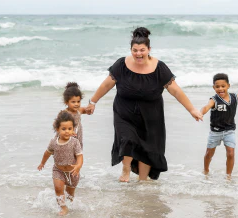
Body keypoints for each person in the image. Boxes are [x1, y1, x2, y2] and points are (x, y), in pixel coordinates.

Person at [85, 27, 203, 182]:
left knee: (148, 148)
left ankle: (143, 181)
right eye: (135, 50)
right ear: (130, 50)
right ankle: (126, 169)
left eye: (142, 50)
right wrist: (93, 102)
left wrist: (192, 109)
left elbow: (176, 91)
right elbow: (106, 85)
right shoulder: (121, 64)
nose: (138, 54)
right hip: (124, 111)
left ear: (149, 49)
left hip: (151, 115)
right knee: (127, 138)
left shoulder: (159, 68)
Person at [200, 73, 238, 179]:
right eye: (217, 87)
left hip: (229, 131)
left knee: (231, 153)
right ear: (214, 87)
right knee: (209, 154)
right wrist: (201, 113)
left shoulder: (235, 97)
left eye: (223, 86)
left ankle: (228, 176)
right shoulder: (214, 100)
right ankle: (206, 171)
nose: (220, 89)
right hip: (215, 132)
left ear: (228, 86)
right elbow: (206, 107)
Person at [37, 111, 83, 216]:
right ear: (57, 129)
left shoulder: (75, 142)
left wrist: (78, 166)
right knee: (58, 188)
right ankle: (63, 207)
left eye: (70, 129)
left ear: (73, 129)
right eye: (64, 129)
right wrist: (42, 163)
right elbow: (47, 153)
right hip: (58, 170)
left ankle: (70, 205)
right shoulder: (53, 142)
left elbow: (80, 156)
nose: (67, 131)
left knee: (70, 195)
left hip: (72, 172)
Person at [62, 82, 87, 149]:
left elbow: (85, 110)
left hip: (78, 135)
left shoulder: (79, 110)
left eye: (78, 101)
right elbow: (56, 125)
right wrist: (69, 130)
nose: (76, 104)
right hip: (67, 136)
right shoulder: (65, 113)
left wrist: (89, 109)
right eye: (73, 102)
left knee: (78, 151)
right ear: (66, 102)